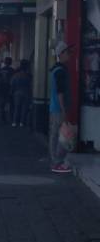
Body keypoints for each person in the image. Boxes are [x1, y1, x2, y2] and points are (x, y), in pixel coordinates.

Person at [49, 41, 73, 173]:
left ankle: (55, 161)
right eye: (68, 52)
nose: (70, 55)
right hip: (59, 109)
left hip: (54, 108)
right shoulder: (60, 71)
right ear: (61, 54)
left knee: (55, 135)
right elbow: (60, 92)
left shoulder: (55, 69)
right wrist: (64, 110)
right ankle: (57, 162)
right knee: (62, 136)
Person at [10, 59, 31, 127]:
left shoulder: (16, 75)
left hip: (17, 93)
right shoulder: (29, 76)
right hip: (26, 92)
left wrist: (11, 92)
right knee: (24, 108)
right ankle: (22, 122)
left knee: (17, 108)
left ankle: (14, 122)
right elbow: (31, 85)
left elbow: (12, 84)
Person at [0, 56, 15, 124]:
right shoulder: (12, 70)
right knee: (11, 103)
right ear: (10, 62)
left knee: (2, 103)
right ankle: (11, 117)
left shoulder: (1, 70)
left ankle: (3, 117)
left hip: (2, 88)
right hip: (9, 88)